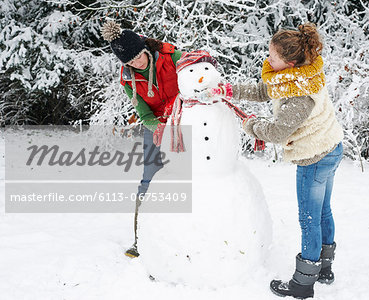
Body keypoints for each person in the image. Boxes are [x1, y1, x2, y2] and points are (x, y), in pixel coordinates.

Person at [208, 23, 344, 299]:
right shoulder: (304, 72)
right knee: (322, 212)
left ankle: (303, 284)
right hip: (331, 147)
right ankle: (324, 268)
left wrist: (250, 125)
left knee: (309, 219)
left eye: (272, 57)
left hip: (315, 157)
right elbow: (265, 90)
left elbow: (278, 131)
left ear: (289, 62)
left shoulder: (300, 93)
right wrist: (230, 90)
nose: (267, 60)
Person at [101, 20, 183, 257]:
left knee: (190, 174)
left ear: (144, 49)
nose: (137, 63)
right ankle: (140, 238)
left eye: (138, 57)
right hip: (155, 124)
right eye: (130, 61)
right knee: (149, 178)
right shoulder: (127, 78)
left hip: (184, 118)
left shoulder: (171, 56)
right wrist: (155, 126)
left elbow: (197, 72)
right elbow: (142, 110)